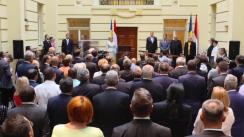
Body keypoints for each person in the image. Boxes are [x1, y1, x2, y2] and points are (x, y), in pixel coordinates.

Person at [93, 70, 131, 137]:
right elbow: (128, 117)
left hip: (103, 133)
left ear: (105, 81)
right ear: (117, 81)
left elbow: (95, 118)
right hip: (120, 134)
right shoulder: (125, 97)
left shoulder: (96, 98)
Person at [178, 60, 206, 131]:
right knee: (195, 127)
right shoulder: (202, 79)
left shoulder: (181, 78)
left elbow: (179, 93)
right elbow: (203, 94)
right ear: (196, 67)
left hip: (184, 105)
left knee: (184, 127)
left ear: (187, 67)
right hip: (197, 106)